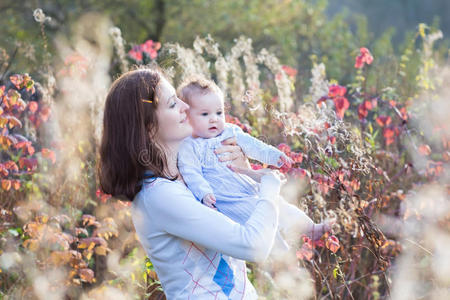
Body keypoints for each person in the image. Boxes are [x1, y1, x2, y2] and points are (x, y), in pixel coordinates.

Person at [98, 68, 286, 299]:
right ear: (148, 127)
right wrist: (270, 185)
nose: (186, 107)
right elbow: (254, 246)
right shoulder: (159, 196)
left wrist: (243, 170)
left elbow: (243, 211)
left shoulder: (189, 176)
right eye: (172, 104)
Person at [177, 77, 331, 242]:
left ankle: (310, 228)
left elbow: (254, 146)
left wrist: (275, 156)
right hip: (229, 200)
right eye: (205, 114)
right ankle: (281, 255)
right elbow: (191, 172)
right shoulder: (189, 146)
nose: (214, 118)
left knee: (279, 205)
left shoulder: (230, 132)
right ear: (186, 117)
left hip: (250, 187)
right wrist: (204, 193)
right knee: (257, 221)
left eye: (219, 112)